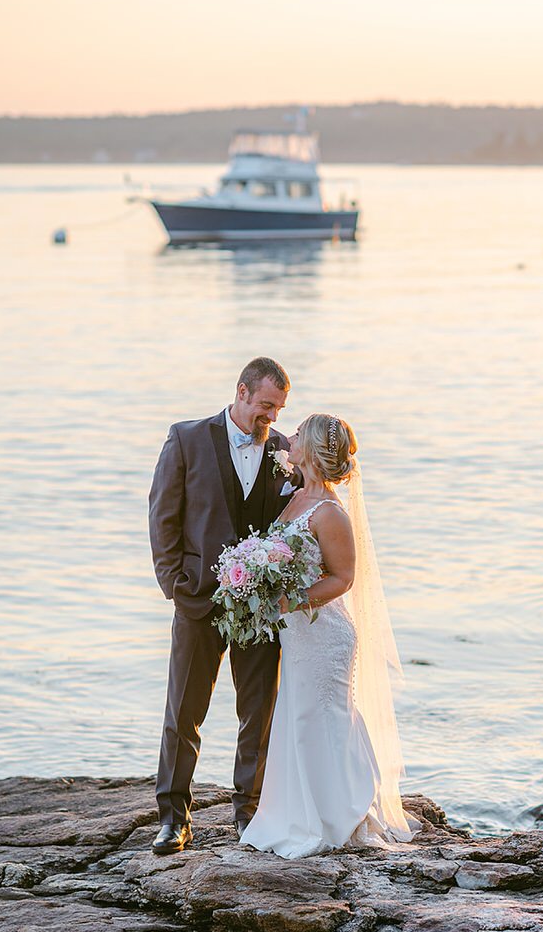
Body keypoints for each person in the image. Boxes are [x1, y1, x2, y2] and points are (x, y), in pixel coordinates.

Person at [241, 413, 417, 858]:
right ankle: (294, 812)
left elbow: (343, 578)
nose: (289, 437)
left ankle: (338, 815)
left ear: (314, 448)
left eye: (299, 433)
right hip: (298, 634)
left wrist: (291, 601)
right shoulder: (295, 496)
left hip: (325, 634)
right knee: (296, 716)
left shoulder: (330, 512)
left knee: (321, 717)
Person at [148, 356, 300, 855]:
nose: (271, 417)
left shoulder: (283, 451)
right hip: (198, 600)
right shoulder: (186, 438)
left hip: (261, 606)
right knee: (184, 711)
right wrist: (175, 584)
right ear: (241, 392)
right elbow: (163, 516)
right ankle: (174, 818)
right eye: (265, 405)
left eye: (278, 409)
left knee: (258, 712)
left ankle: (249, 813)